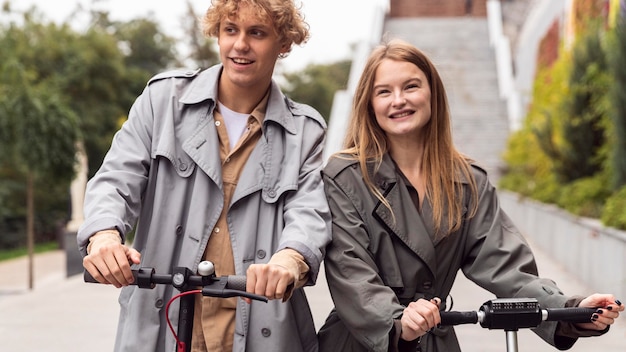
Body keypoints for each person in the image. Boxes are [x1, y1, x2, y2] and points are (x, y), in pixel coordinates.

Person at [317, 39, 623, 352]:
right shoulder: (345, 177)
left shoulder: (468, 181)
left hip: (434, 337)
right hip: (362, 341)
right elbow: (352, 275)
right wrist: (399, 323)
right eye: (384, 91)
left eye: (411, 86)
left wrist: (573, 311)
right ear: (369, 103)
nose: (398, 100)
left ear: (432, 94)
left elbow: (507, 267)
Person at [77, 1, 331, 351]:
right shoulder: (162, 100)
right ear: (217, 34)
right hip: (162, 324)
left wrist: (288, 260)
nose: (240, 44)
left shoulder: (305, 132)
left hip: (257, 330)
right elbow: (117, 178)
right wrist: (104, 236)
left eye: (256, 33)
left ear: (284, 42)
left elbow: (310, 214)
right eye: (231, 30)